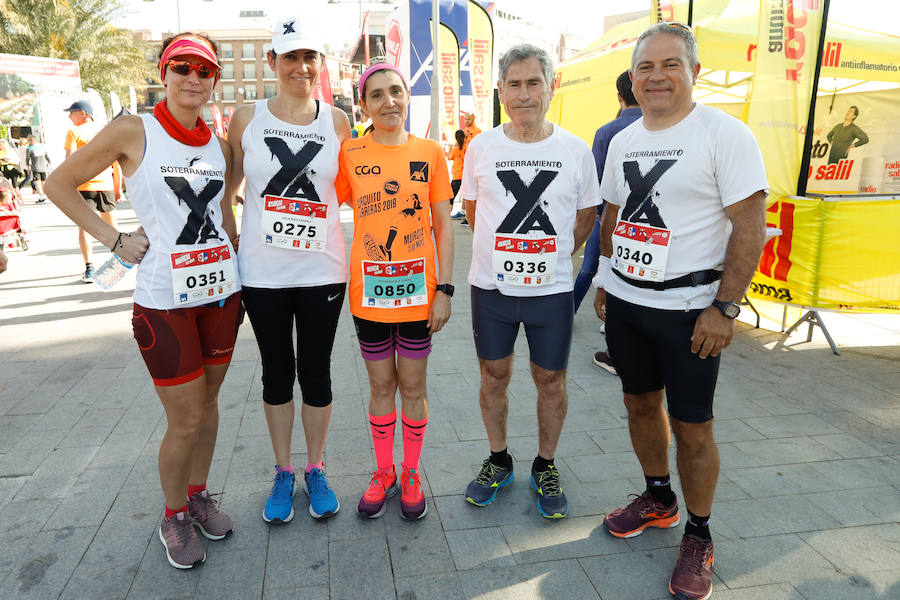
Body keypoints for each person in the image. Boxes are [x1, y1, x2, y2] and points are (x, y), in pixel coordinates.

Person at [46, 33, 242, 570]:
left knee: (208, 407)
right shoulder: (136, 129)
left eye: (205, 71)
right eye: (183, 67)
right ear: (164, 72)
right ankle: (173, 515)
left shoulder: (219, 145)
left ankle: (198, 496)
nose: (194, 78)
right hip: (164, 301)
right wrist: (112, 241)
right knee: (183, 419)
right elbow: (58, 183)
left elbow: (222, 213)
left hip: (222, 296)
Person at [593, 22, 767, 599]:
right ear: (634, 78)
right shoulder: (623, 140)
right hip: (627, 302)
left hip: (693, 310)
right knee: (639, 405)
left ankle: (698, 532)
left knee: (694, 427)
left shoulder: (725, 134)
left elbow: (750, 225)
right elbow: (613, 218)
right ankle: (658, 497)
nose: (657, 76)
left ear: (693, 71)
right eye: (646, 67)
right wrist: (602, 278)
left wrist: (726, 307)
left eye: (670, 65)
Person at [461, 44, 599, 519]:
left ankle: (545, 464)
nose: (523, 94)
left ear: (551, 87)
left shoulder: (576, 151)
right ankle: (499, 459)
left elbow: (586, 217)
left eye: (533, 83)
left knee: (551, 380)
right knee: (493, 376)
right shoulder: (480, 147)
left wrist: (554, 255)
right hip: (493, 289)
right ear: (500, 91)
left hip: (552, 291)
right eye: (514, 84)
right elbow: (476, 214)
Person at [226, 16, 351, 523]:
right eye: (291, 57)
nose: (301, 67)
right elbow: (228, 190)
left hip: (323, 270)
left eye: (310, 58)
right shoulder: (245, 118)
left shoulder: (337, 121)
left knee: (316, 372)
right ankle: (283, 472)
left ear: (320, 65)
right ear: (272, 61)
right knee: (276, 373)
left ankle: (315, 468)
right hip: (263, 273)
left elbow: (353, 192)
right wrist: (227, 246)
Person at [335, 63, 454, 521]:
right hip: (369, 293)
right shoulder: (349, 152)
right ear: (363, 105)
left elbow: (443, 223)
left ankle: (410, 471)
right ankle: (383, 471)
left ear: (408, 96)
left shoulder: (431, 151)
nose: (389, 102)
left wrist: (443, 288)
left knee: (413, 384)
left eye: (397, 92)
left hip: (418, 293)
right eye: (378, 95)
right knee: (381, 384)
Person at [573, 70, 642, 375]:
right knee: (635, 278)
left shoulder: (607, 131)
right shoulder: (666, 126)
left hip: (609, 217)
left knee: (593, 269)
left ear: (619, 97)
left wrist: (595, 216)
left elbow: (594, 181)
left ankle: (566, 314)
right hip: (648, 225)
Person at [61, 100, 120, 282]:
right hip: (106, 185)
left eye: (72, 113)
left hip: (84, 186)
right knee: (112, 227)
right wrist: (117, 186)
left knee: (84, 227)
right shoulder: (105, 131)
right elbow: (116, 160)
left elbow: (69, 161)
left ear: (83, 113)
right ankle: (119, 263)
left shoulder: (74, 132)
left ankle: (89, 268)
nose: (70, 117)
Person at [26, 135, 51, 203]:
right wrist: (50, 164)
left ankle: (42, 197)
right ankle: (44, 196)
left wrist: (28, 168)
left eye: (29, 140)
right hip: (44, 167)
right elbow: (47, 156)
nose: (28, 142)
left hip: (35, 168)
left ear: (32, 140)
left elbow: (27, 159)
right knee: (43, 182)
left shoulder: (29, 148)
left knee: (37, 183)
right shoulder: (42, 147)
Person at [449, 129, 466, 217]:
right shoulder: (466, 147)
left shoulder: (455, 149)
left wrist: (450, 148)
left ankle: (447, 216)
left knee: (451, 197)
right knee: (465, 196)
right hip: (465, 176)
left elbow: (449, 157)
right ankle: (463, 212)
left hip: (456, 176)